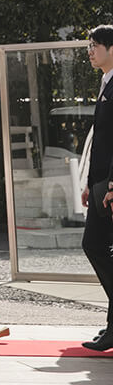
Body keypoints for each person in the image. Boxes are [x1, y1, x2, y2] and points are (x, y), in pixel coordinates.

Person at [81, 24, 113, 352]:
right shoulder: (105, 83)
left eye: (95, 45)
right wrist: (92, 185)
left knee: (94, 245)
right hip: (101, 186)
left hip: (112, 187)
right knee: (97, 247)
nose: (90, 51)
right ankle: (111, 329)